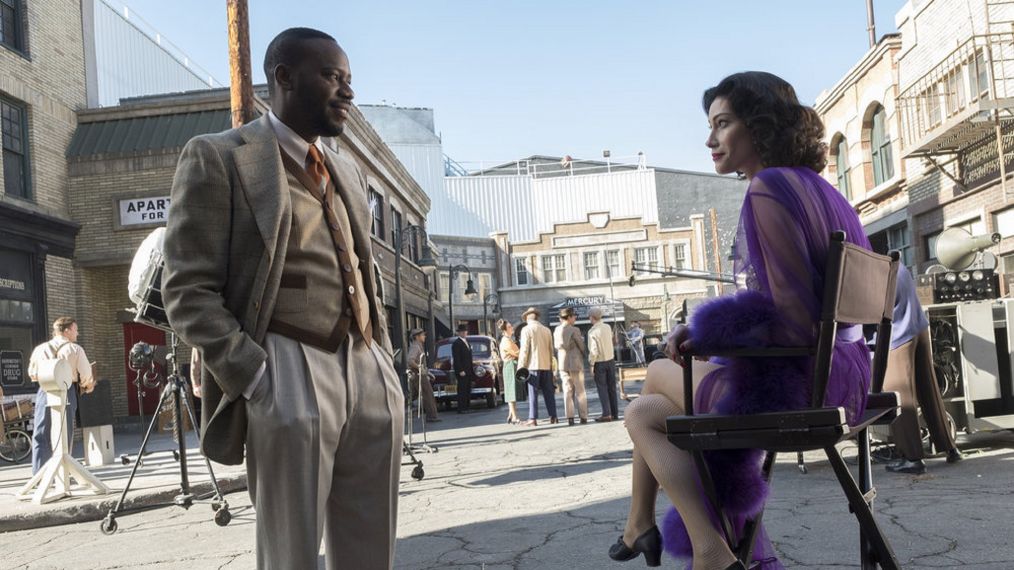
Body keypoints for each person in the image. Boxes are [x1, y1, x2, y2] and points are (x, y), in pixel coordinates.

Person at [609, 71, 874, 570]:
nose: (710, 139)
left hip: (803, 387)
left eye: (723, 123)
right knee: (645, 412)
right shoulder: (822, 189)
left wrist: (707, 331)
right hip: (848, 374)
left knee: (650, 391)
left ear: (760, 126)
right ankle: (656, 529)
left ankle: (693, 543)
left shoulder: (769, 189)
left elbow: (794, 323)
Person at [162, 27, 403, 570]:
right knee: (290, 552)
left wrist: (383, 359)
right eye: (332, 76)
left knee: (373, 548)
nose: (347, 91)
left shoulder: (346, 170)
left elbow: (364, 272)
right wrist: (254, 374)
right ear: (284, 77)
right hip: (287, 363)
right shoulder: (219, 156)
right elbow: (186, 288)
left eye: (349, 79)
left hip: (366, 363)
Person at [881, 266, 962, 474]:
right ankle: (949, 447)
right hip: (919, 328)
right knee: (929, 391)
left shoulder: (872, 270)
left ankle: (912, 458)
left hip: (897, 335)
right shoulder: (897, 265)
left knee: (899, 398)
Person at [27, 317, 95, 474]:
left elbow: (32, 374)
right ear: (67, 330)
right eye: (75, 329)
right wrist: (87, 386)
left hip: (45, 389)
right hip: (66, 389)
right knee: (64, 434)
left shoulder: (40, 349)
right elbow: (86, 376)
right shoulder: (75, 349)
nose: (77, 333)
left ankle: (39, 474)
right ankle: (62, 476)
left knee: (40, 433)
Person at [517, 307, 558, 426]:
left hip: (533, 365)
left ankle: (532, 418)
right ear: (537, 317)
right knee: (549, 392)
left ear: (527, 318)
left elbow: (524, 350)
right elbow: (551, 350)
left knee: (533, 393)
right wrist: (551, 366)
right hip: (546, 365)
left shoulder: (526, 329)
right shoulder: (546, 330)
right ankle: (553, 416)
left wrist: (521, 367)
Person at [554, 307, 588, 425]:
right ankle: (583, 416)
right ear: (568, 317)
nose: (575, 318)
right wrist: (584, 353)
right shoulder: (575, 330)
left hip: (563, 363)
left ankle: (570, 417)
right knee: (580, 390)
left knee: (567, 390)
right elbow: (581, 345)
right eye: (574, 316)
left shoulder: (556, 330)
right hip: (575, 362)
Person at [587, 307, 619, 422]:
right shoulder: (607, 327)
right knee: (612, 388)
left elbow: (594, 351)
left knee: (602, 389)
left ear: (592, 317)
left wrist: (591, 364)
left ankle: (606, 414)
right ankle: (614, 413)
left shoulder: (592, 332)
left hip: (599, 363)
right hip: (610, 361)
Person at [407, 328, 440, 423]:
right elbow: (410, 360)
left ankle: (432, 416)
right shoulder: (415, 347)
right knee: (428, 394)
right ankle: (431, 416)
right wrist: (420, 369)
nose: (424, 336)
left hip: (420, 374)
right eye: (422, 335)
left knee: (415, 396)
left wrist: (428, 373)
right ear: (417, 337)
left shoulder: (419, 346)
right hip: (418, 375)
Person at [498, 319, 522, 424]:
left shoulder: (509, 339)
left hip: (512, 365)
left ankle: (511, 414)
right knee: (511, 392)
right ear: (504, 330)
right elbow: (516, 353)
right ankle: (514, 416)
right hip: (509, 365)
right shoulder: (506, 340)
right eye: (509, 327)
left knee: (512, 391)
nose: (512, 328)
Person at [451, 324, 476, 414]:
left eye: (465, 331)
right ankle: (461, 408)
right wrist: (460, 370)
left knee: (468, 389)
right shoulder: (457, 343)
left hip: (468, 369)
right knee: (462, 389)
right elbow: (456, 358)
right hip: (462, 371)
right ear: (459, 333)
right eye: (463, 331)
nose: (465, 332)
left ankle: (467, 407)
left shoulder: (466, 342)